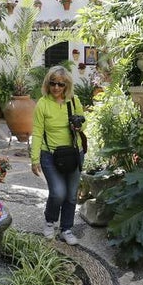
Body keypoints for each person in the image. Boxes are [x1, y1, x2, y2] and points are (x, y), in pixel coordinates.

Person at [31, 65, 86, 245]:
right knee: (58, 193)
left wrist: (78, 126)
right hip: (50, 155)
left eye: (61, 84)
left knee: (71, 195)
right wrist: (34, 159)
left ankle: (66, 229)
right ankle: (50, 221)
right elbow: (37, 132)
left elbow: (83, 122)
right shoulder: (43, 104)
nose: (56, 87)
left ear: (66, 85)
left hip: (74, 153)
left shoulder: (74, 101)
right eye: (53, 83)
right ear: (47, 84)